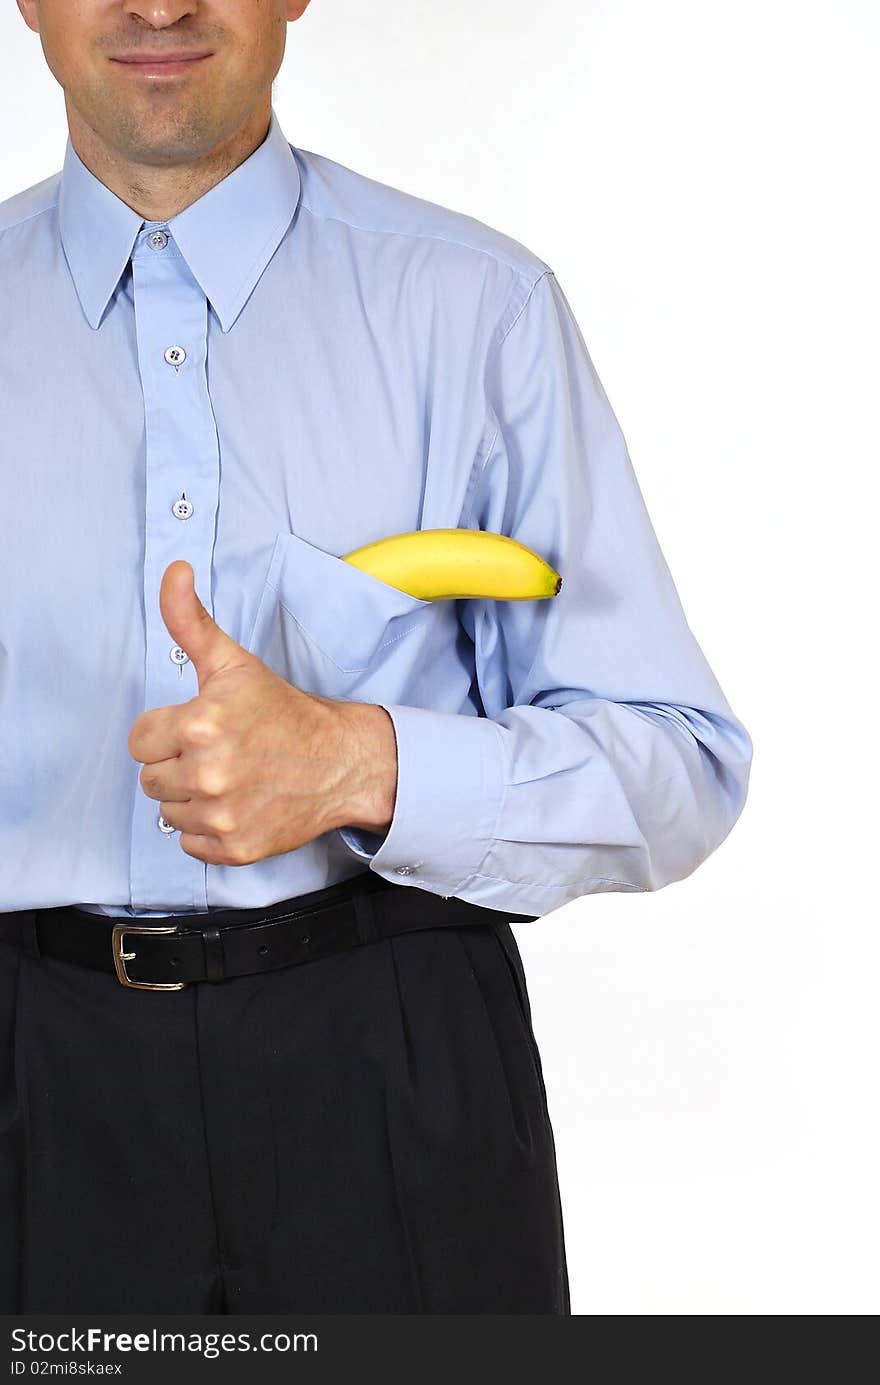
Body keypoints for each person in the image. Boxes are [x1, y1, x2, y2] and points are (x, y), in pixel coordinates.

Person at [0, 0, 753, 1316]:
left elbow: (679, 765)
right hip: (30, 1094)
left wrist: (362, 759)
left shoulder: (479, 313)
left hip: (392, 1079)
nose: (159, 4)